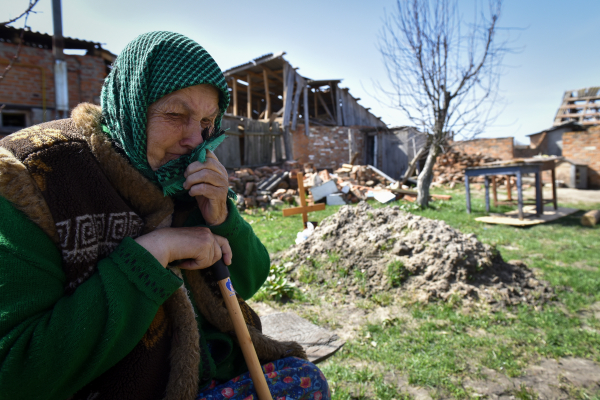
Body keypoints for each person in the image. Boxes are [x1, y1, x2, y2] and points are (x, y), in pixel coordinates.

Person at [0, 31, 330, 400]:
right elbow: (14, 374)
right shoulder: (35, 174)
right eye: (176, 115)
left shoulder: (185, 173)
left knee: (304, 378)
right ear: (131, 105)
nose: (195, 138)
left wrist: (221, 216)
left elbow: (248, 282)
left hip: (215, 369)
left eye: (207, 121)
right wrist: (154, 253)